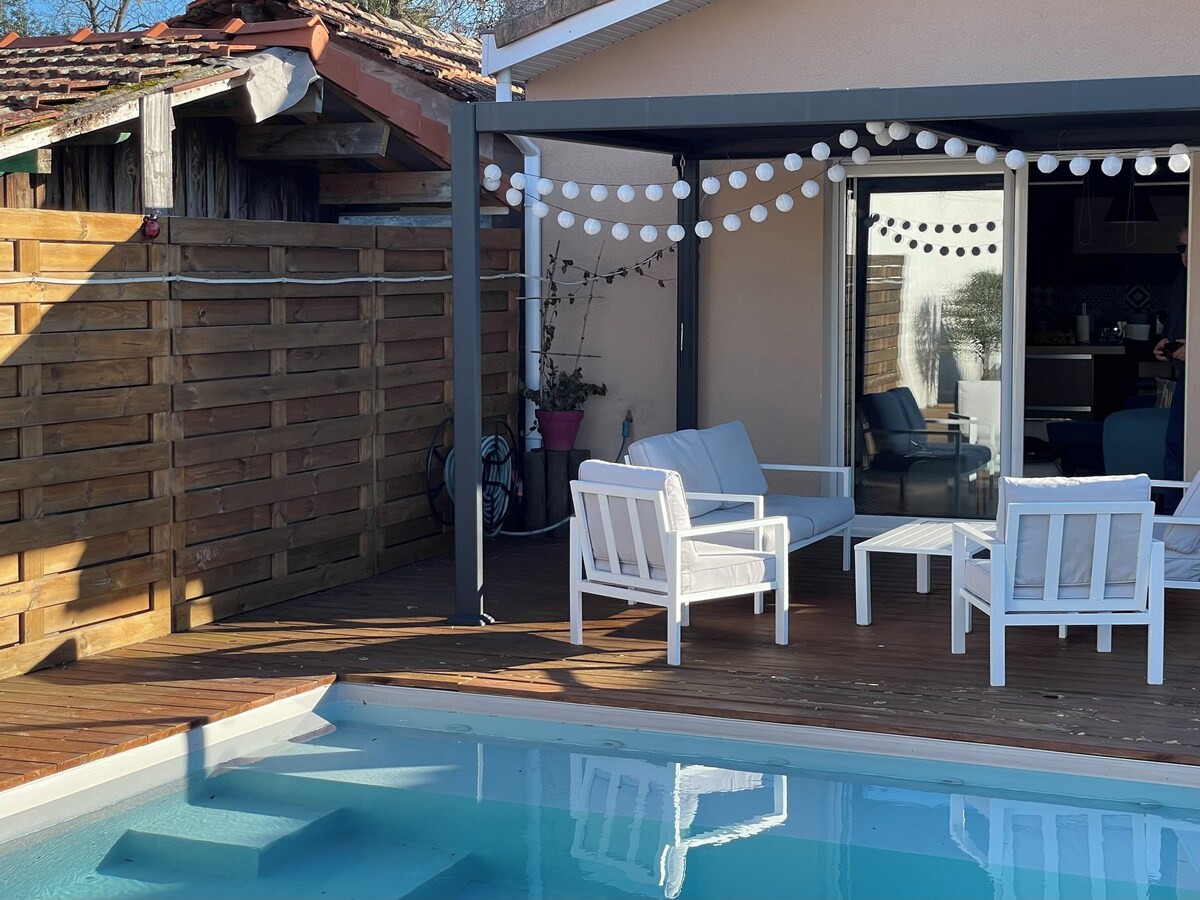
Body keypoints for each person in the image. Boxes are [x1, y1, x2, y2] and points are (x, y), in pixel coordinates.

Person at [1155, 227, 1188, 509]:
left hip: (1194, 380)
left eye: (1192, 246)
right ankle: (1174, 525)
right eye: (1181, 248)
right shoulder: (1182, 281)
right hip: (1184, 379)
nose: (1186, 254)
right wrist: (1166, 341)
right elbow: (1176, 325)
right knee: (1176, 453)